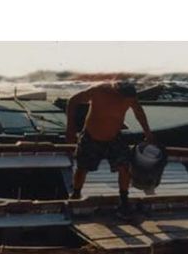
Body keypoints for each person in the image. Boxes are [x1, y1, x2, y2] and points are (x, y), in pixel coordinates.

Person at [64, 81, 155, 216]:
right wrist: (70, 127)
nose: (125, 101)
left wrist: (148, 133)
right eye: (122, 97)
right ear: (116, 91)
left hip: (114, 137)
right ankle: (76, 194)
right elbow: (73, 101)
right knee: (82, 167)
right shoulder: (98, 91)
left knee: (124, 166)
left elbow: (138, 112)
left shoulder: (130, 97)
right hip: (91, 136)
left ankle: (124, 200)